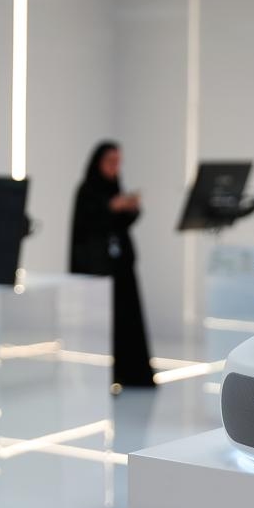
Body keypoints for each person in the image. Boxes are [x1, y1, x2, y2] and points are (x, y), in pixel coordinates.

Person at [69, 141, 155, 391]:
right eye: (111, 161)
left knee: (128, 322)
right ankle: (101, 378)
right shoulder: (87, 191)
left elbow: (122, 224)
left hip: (121, 267)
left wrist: (130, 208)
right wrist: (110, 207)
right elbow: (88, 225)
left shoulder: (115, 186)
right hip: (98, 269)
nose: (115, 166)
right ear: (98, 162)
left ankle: (133, 376)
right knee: (103, 324)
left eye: (118, 161)